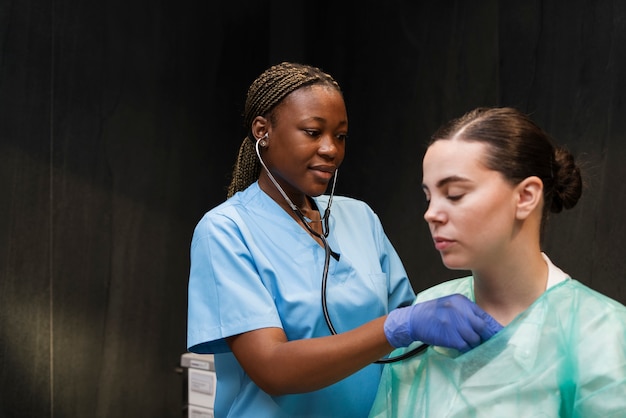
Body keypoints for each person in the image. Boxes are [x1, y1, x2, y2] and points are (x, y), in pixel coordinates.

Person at [186, 62, 502, 418]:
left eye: (340, 136)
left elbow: (409, 338)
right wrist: (395, 327)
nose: (331, 149)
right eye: (312, 132)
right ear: (263, 131)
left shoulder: (360, 218)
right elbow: (272, 368)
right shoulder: (226, 230)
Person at [369, 106, 626, 417]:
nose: (431, 213)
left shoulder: (601, 332)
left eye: (454, 194)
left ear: (526, 196)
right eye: (428, 196)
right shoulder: (427, 315)